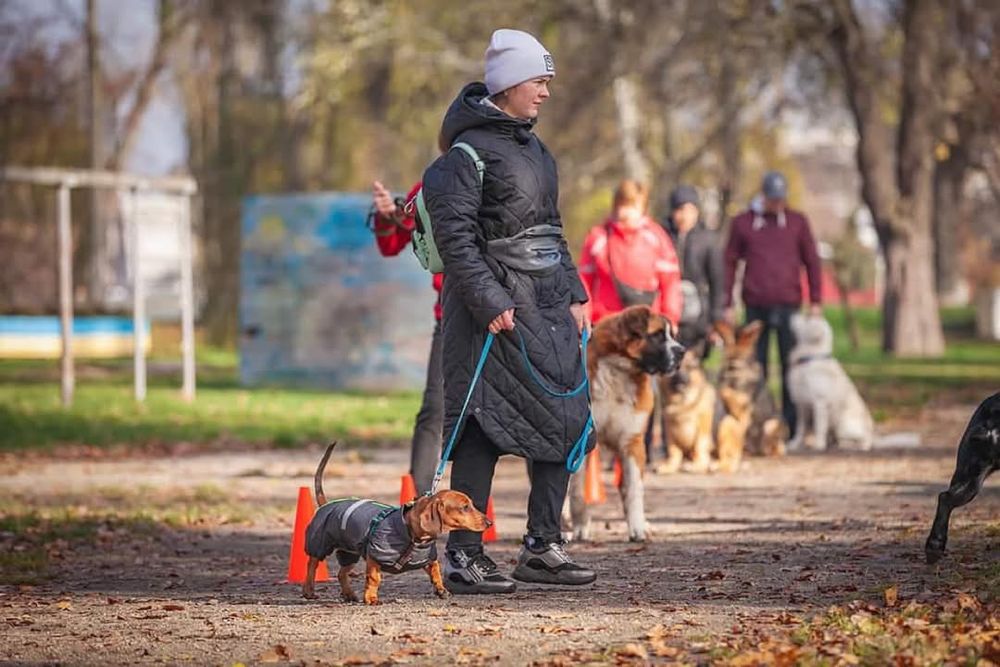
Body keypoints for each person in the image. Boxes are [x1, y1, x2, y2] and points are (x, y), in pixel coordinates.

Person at [422, 28, 596, 595]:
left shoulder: (537, 151)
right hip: (489, 311)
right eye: (538, 80)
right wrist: (490, 301)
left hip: (546, 304)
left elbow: (553, 230)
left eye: (547, 80)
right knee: (481, 427)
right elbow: (455, 241)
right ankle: (463, 557)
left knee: (566, 421)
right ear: (508, 84)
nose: (546, 91)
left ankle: (543, 546)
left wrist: (574, 293)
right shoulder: (463, 156)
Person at [722, 171, 823, 437]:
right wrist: (728, 303)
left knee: (791, 367)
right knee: (758, 367)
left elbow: (812, 261)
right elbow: (729, 262)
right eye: (773, 198)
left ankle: (788, 426)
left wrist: (816, 300)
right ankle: (758, 421)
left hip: (789, 304)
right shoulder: (744, 223)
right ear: (763, 196)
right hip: (756, 304)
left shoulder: (797, 222)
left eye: (781, 199)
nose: (777, 203)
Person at [370, 180, 442, 495]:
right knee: (435, 412)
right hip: (452, 317)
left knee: (526, 412)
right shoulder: (434, 181)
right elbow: (391, 244)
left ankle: (545, 520)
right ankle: (419, 506)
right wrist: (389, 215)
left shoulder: (509, 169)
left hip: (509, 314)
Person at [578, 180, 682, 327]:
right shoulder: (598, 237)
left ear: (643, 207)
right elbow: (584, 282)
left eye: (633, 206)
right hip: (605, 323)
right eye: (623, 205)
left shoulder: (656, 238)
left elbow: (670, 282)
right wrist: (584, 317)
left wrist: (670, 319)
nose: (627, 212)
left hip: (646, 323)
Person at [663, 184, 725, 355]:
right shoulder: (662, 237)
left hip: (699, 320)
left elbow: (717, 282)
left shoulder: (709, 240)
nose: (684, 216)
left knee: (694, 371)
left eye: (689, 210)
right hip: (669, 318)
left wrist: (715, 320)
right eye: (680, 210)